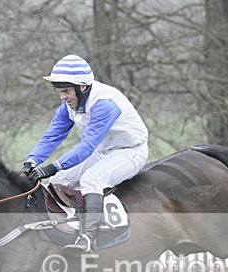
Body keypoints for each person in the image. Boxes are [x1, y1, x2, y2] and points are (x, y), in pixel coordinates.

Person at [21, 54, 149, 254]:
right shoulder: (70, 105)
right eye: (59, 92)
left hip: (130, 152)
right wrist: (31, 161)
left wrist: (52, 167)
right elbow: (52, 136)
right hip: (103, 152)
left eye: (66, 91)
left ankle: (88, 238)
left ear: (82, 87)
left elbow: (87, 146)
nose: (62, 97)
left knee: (92, 179)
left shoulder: (105, 103)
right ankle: (72, 226)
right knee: (58, 181)